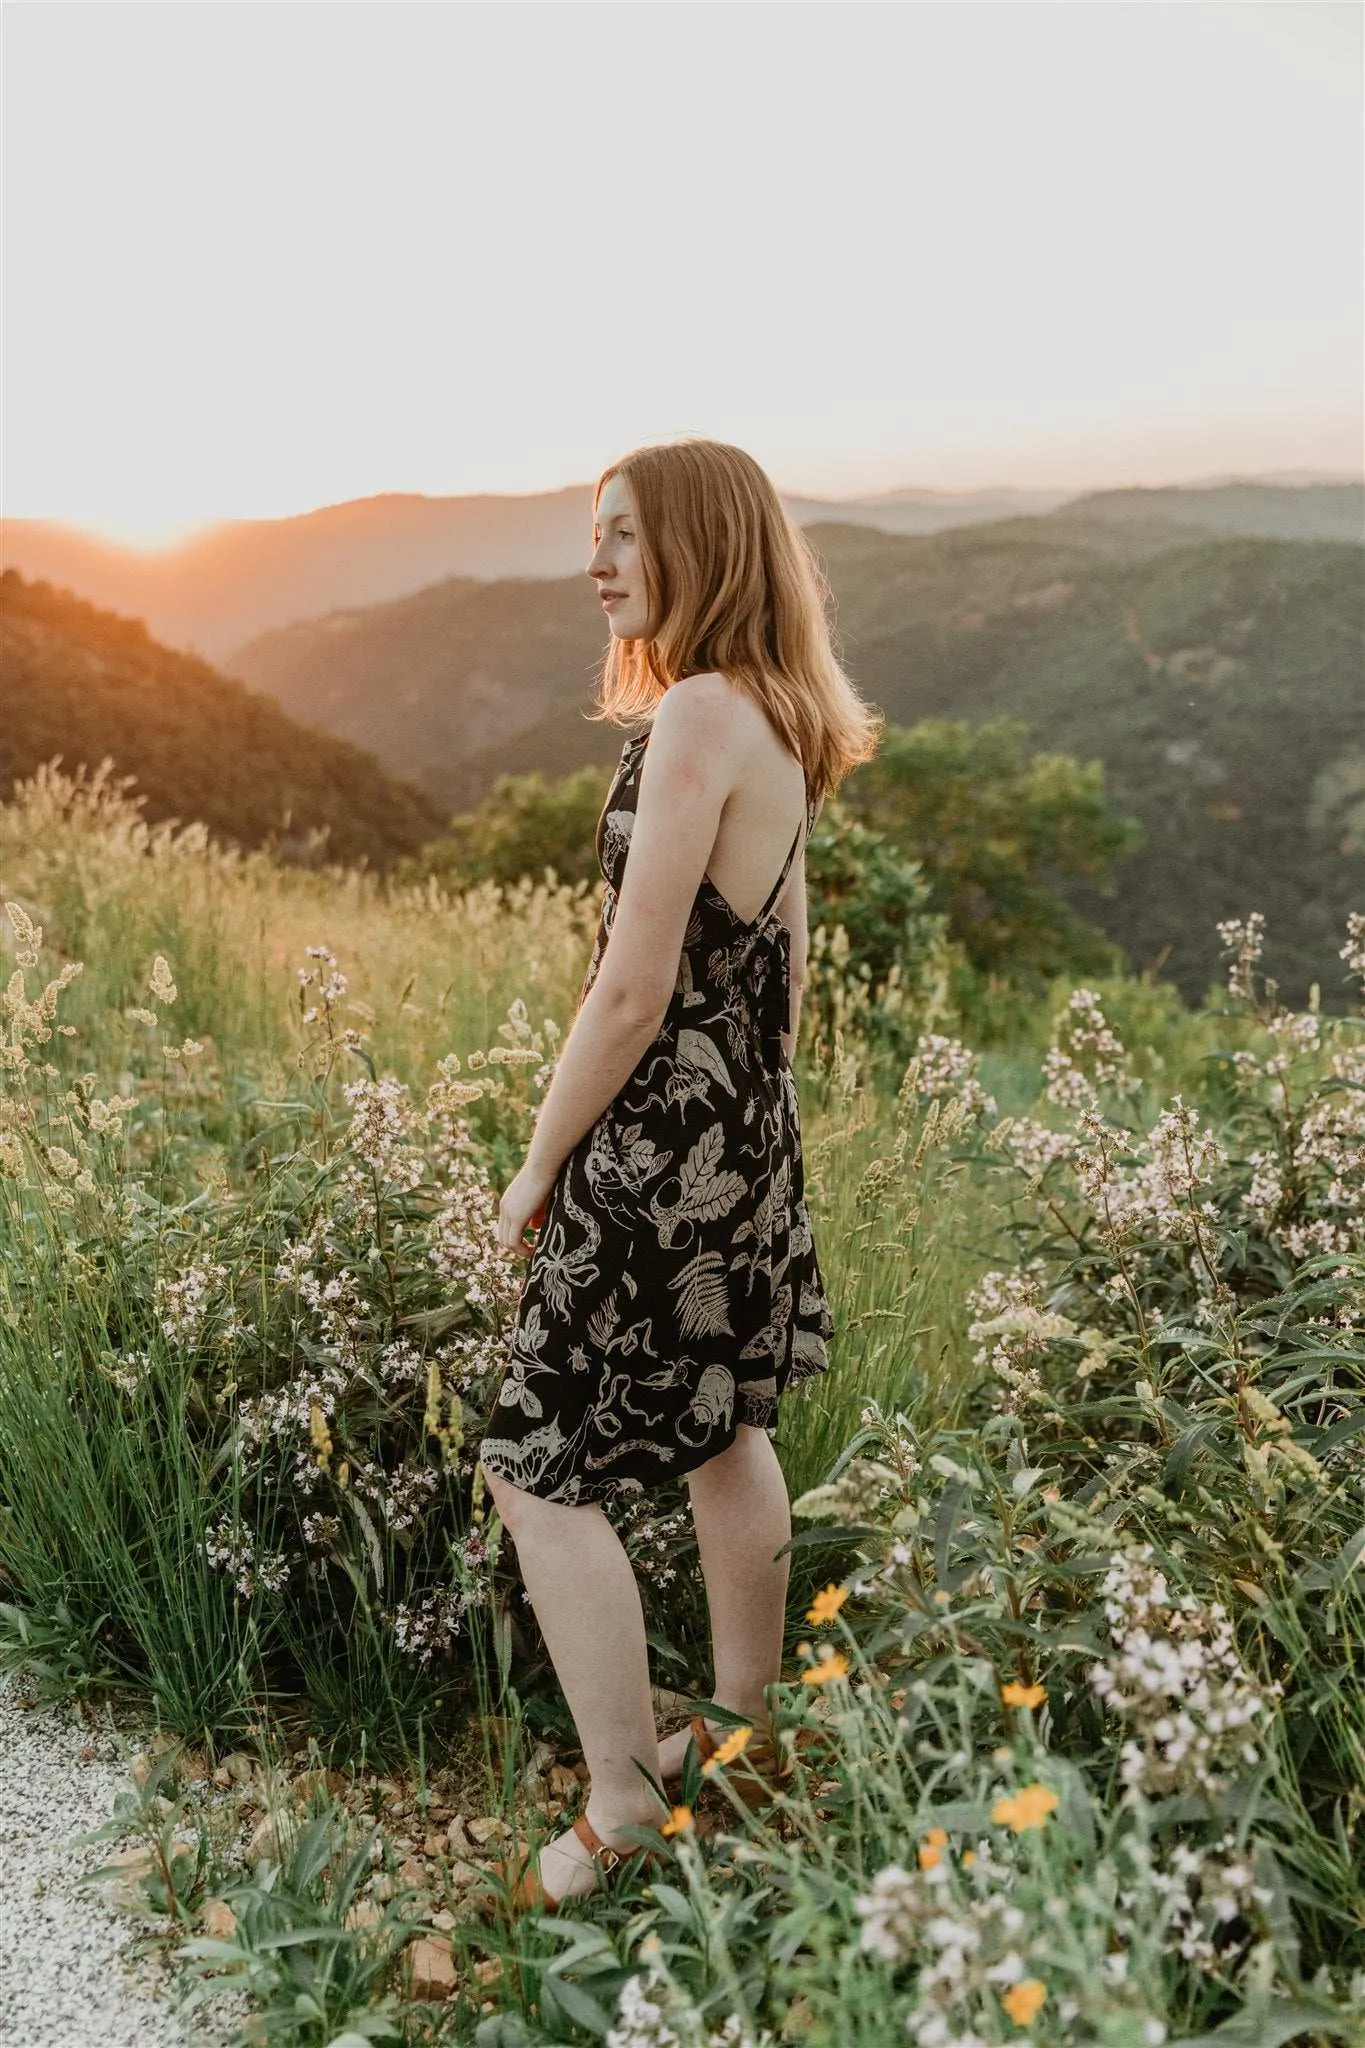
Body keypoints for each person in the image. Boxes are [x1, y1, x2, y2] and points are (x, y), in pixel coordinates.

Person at [477, 436, 881, 1907]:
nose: (597, 562)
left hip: (651, 1146)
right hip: (742, 1134)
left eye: (624, 536)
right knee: (725, 1431)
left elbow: (632, 990)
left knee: (533, 1465)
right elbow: (782, 957)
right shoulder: (784, 717)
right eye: (596, 534)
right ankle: (746, 1732)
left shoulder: (696, 716)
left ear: (699, 546)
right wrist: (759, 1135)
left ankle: (624, 1801)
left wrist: (537, 1170)